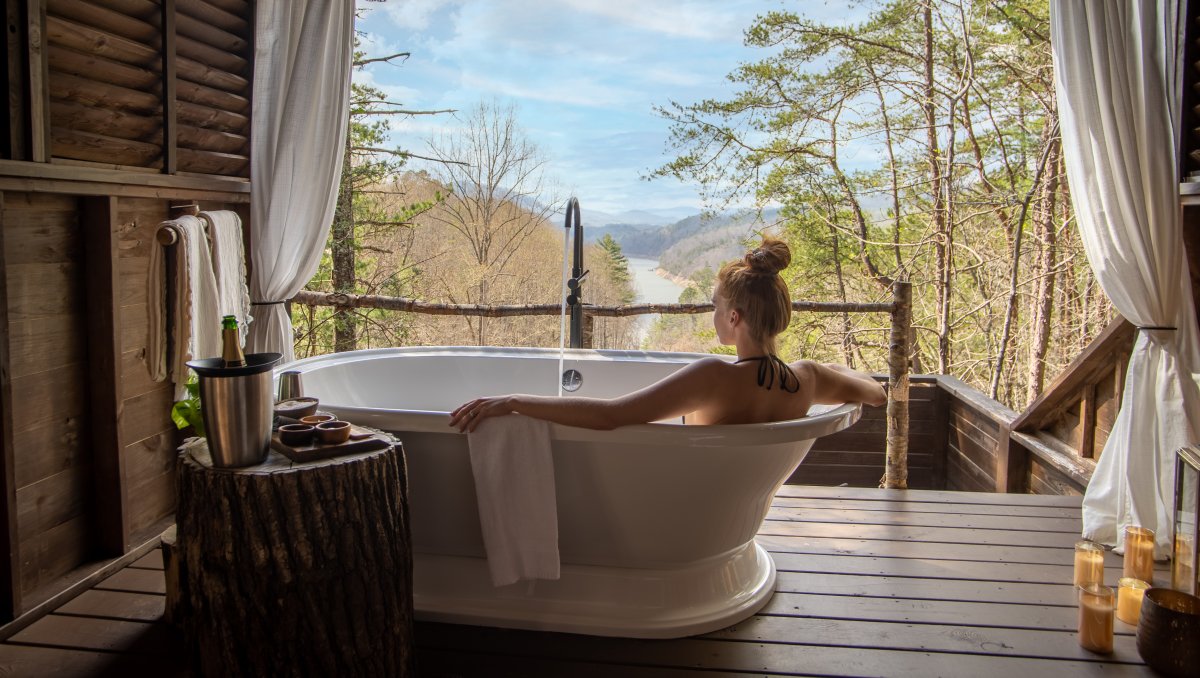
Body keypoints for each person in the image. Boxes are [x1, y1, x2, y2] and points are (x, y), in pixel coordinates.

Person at [449, 237, 887, 432]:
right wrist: (829, 369)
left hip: (689, 506)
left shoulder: (713, 377)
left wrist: (511, 401)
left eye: (714, 307)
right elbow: (875, 393)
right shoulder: (806, 378)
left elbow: (610, 416)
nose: (711, 315)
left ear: (734, 318)